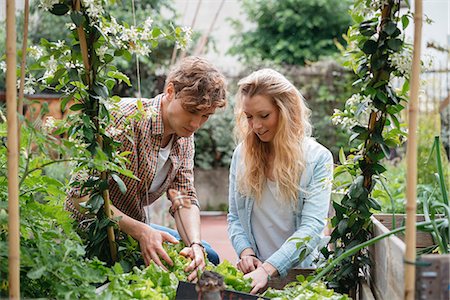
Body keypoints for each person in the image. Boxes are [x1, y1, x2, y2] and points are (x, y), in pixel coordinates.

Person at [65, 56, 227, 281]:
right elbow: (79, 198)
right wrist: (141, 231)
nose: (196, 124)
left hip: (134, 231)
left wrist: (195, 245)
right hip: (90, 232)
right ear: (170, 91)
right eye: (191, 111)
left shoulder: (184, 137)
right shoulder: (125, 119)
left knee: (208, 257)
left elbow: (183, 196)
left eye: (205, 116)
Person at [227, 69, 333, 294]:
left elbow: (312, 227)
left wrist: (268, 269)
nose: (255, 126)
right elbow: (234, 216)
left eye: (264, 116)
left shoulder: (318, 158)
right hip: (255, 275)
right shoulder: (241, 155)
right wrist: (246, 253)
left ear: (286, 111)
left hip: (302, 277)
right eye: (249, 116)